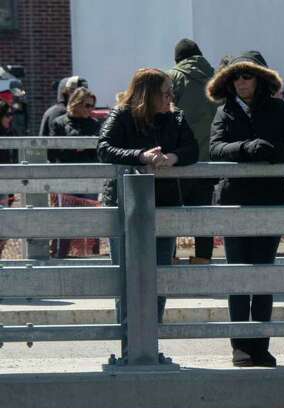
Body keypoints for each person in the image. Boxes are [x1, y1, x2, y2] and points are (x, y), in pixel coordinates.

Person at [207, 51, 284, 367]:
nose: (241, 82)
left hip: (269, 201)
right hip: (234, 202)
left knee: (264, 275)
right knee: (238, 276)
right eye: (236, 77)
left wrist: (274, 151)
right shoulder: (224, 111)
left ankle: (261, 344)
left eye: (247, 76)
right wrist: (245, 148)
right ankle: (240, 344)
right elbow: (214, 149)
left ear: (260, 79)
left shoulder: (281, 109)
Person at [97, 68, 199, 338]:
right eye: (165, 93)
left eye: (171, 92)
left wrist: (173, 158)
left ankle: (151, 337)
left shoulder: (176, 118)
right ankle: (129, 340)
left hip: (163, 203)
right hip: (124, 203)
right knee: (127, 276)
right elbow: (104, 148)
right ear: (148, 94)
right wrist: (141, 156)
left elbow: (193, 149)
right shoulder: (121, 115)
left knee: (159, 275)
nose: (170, 97)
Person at [169, 38, 219, 266]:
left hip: (178, 159)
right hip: (208, 160)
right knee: (204, 214)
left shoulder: (172, 78)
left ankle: (169, 257)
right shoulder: (217, 79)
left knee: (170, 212)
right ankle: (202, 260)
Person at [47, 87, 101, 259]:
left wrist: (85, 148)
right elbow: (52, 152)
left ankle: (92, 256)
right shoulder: (59, 122)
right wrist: (75, 148)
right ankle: (61, 256)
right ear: (76, 103)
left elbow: (99, 152)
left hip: (89, 179)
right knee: (65, 220)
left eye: (92, 106)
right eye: (87, 105)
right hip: (67, 179)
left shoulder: (94, 124)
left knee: (90, 220)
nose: (90, 109)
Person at [0, 101, 17, 258]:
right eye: (7, 115)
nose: (10, 118)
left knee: (4, 227)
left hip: (6, 185)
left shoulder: (11, 132)